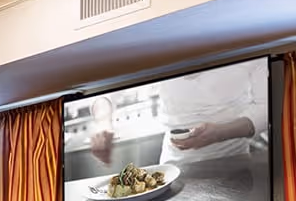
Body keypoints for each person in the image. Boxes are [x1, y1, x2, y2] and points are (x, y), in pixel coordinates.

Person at [87, 61, 268, 166]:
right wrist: (103, 123)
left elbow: (265, 106)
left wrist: (220, 133)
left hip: (233, 162)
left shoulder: (246, 35)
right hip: (174, 164)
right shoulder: (158, 40)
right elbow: (105, 91)